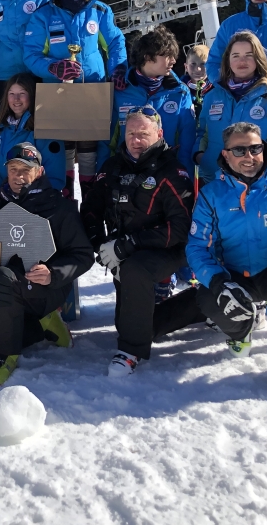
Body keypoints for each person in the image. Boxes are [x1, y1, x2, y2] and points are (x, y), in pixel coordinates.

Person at [187, 122, 267, 397]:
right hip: (233, 273)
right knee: (207, 298)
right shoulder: (212, 194)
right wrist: (219, 281)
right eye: (240, 150)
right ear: (225, 155)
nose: (249, 156)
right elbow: (197, 246)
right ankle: (241, 330)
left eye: (255, 148)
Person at [81, 108, 194, 376]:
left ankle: (131, 351)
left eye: (144, 134)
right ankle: (200, 303)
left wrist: (126, 246)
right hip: (125, 250)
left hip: (167, 250)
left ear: (159, 134)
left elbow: (180, 228)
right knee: (138, 322)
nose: (136, 140)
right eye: (131, 133)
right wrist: (101, 243)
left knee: (134, 274)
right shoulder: (112, 167)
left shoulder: (173, 171)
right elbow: (90, 210)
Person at [0, 143, 95, 386]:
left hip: (44, 289)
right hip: (6, 290)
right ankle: (43, 325)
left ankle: (6, 353)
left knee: (0, 279)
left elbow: (83, 255)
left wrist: (53, 274)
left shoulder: (58, 206)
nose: (18, 176)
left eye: (25, 169)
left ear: (39, 172)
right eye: (13, 169)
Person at [24, 0, 128, 196]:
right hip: (58, 94)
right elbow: (31, 54)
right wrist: (53, 67)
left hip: (93, 90)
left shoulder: (99, 11)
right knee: (63, 149)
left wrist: (118, 67)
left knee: (92, 148)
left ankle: (92, 202)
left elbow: (115, 42)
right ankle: (66, 198)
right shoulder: (44, 15)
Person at [193, 30, 267, 183]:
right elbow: (202, 133)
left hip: (255, 182)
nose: (242, 61)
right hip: (214, 179)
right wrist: (200, 156)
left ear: (258, 59)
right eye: (236, 56)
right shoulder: (213, 95)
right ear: (228, 60)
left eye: (249, 55)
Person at [108, 26, 195, 171]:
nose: (173, 61)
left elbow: (187, 140)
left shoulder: (180, 92)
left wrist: (183, 175)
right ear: (147, 57)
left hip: (166, 171)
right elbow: (108, 139)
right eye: (167, 55)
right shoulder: (120, 90)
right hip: (125, 171)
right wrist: (106, 173)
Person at [0, 74, 65, 196]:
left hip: (30, 202)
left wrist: (33, 198)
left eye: (22, 93)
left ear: (32, 96)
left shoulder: (45, 130)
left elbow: (55, 177)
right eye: (11, 94)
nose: (16, 99)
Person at [182, 44, 210, 114]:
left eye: (203, 64)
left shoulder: (217, 88)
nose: (198, 69)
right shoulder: (179, 90)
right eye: (193, 64)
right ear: (186, 67)